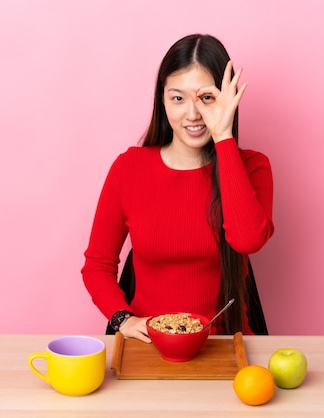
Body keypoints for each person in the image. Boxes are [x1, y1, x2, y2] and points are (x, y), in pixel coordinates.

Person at [81, 34, 274, 343]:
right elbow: (97, 265)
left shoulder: (252, 167)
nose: (193, 114)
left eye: (206, 98)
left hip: (225, 346)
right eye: (178, 98)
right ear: (162, 99)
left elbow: (248, 239)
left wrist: (223, 137)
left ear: (227, 99)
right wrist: (123, 319)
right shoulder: (129, 168)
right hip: (147, 346)